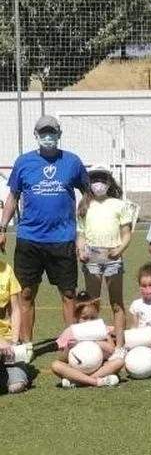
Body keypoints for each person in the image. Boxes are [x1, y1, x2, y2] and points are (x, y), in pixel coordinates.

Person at [0, 115, 90, 341]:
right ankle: (27, 344)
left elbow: (88, 192)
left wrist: (82, 224)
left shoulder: (72, 162)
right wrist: (1, 227)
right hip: (29, 239)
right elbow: (13, 197)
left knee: (68, 293)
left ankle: (71, 341)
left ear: (59, 134)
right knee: (26, 294)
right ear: (36, 135)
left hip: (63, 239)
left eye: (51, 132)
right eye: (43, 133)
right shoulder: (24, 162)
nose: (47, 137)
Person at [76, 164, 133, 350]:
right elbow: (81, 234)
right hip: (92, 257)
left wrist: (121, 249)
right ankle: (94, 343)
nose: (98, 183)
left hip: (113, 257)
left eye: (102, 179)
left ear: (109, 182)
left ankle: (120, 346)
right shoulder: (84, 205)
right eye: (94, 179)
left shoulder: (119, 204)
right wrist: (81, 251)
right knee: (92, 303)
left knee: (116, 303)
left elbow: (126, 233)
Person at [51, 291, 123, 388]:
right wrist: (70, 346)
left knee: (119, 362)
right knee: (56, 365)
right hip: (76, 368)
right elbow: (62, 359)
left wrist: (95, 341)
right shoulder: (70, 332)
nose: (88, 321)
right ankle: (96, 381)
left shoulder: (101, 329)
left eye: (93, 318)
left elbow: (111, 349)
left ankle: (79, 381)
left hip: (98, 367)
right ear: (76, 317)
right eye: (84, 318)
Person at [0, 257, 30, 394]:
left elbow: (15, 309)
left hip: (6, 343)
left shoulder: (7, 270)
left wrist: (14, 340)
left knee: (17, 385)